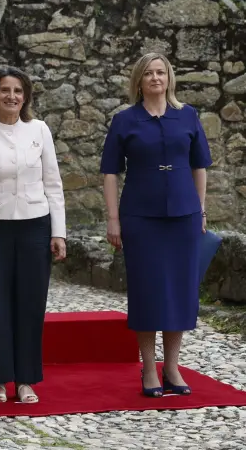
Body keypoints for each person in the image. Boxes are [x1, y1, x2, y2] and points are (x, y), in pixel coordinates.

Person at [100, 52, 211, 398]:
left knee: (179, 291)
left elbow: (200, 166)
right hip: (140, 216)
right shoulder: (125, 120)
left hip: (183, 215)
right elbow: (109, 172)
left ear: (169, 77)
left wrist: (201, 211)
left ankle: (172, 368)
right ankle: (149, 368)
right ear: (139, 80)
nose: (155, 78)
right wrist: (113, 219)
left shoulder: (188, 115)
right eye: (148, 73)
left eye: (161, 72)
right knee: (147, 291)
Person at [0, 66, 67, 405]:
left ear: (26, 97)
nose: (12, 96)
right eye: (5, 90)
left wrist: (58, 232)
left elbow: (53, 184)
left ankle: (25, 380)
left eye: (18, 91)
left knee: (30, 305)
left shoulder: (39, 130)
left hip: (35, 227)